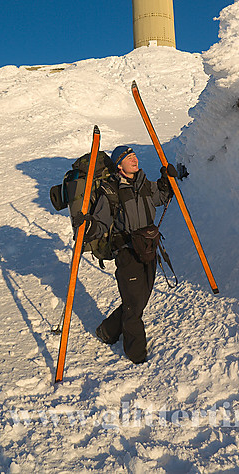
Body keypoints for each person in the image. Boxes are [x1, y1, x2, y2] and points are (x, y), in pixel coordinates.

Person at [73, 145, 176, 365]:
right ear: (119, 165)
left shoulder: (145, 184)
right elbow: (101, 222)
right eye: (128, 157)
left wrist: (168, 181)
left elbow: (161, 197)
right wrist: (88, 226)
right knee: (133, 307)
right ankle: (137, 354)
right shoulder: (111, 191)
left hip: (149, 248)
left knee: (139, 300)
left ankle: (108, 331)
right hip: (127, 252)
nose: (134, 159)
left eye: (134, 155)